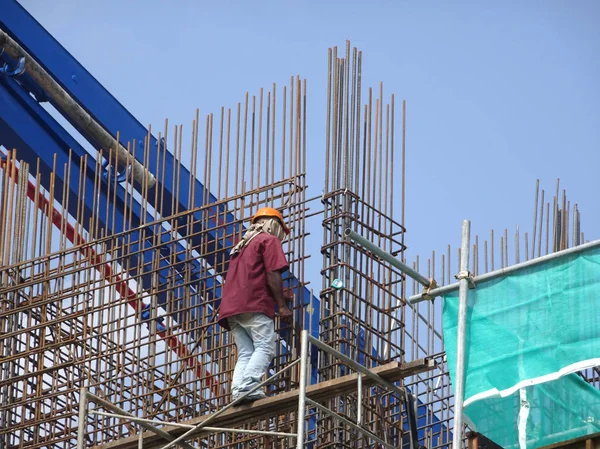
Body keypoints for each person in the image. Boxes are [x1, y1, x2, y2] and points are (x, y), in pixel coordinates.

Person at [218, 207, 294, 404]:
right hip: (255, 304)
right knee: (265, 347)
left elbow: (251, 276)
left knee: (246, 352)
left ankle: (237, 391)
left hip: (232, 309)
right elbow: (272, 273)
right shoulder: (268, 240)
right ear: (273, 225)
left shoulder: (240, 248)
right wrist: (282, 305)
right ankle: (249, 385)